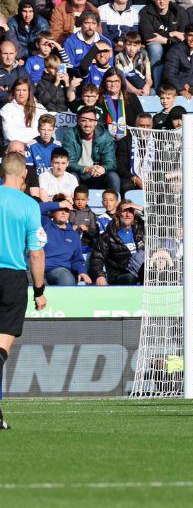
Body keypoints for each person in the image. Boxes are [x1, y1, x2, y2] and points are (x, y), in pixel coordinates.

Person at [0, 152, 47, 429]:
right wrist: (39, 290)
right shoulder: (29, 205)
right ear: (23, 176)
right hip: (12, 278)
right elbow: (36, 254)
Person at [42, 199, 90, 287]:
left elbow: (76, 259)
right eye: (61, 209)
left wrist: (82, 271)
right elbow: (35, 209)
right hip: (37, 268)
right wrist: (58, 204)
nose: (64, 213)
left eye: (67, 210)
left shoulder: (74, 234)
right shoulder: (45, 224)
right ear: (52, 212)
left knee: (66, 278)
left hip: (59, 271)